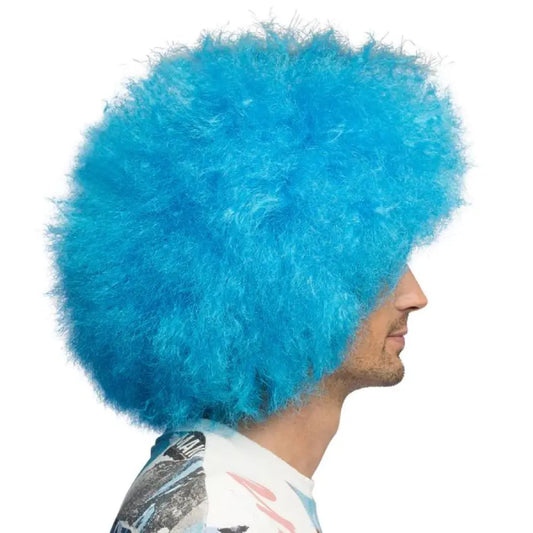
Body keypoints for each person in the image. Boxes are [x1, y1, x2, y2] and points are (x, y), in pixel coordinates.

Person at [45, 17, 470, 533]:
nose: (414, 295)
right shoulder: (226, 515)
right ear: (280, 295)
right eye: (378, 268)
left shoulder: (222, 481)